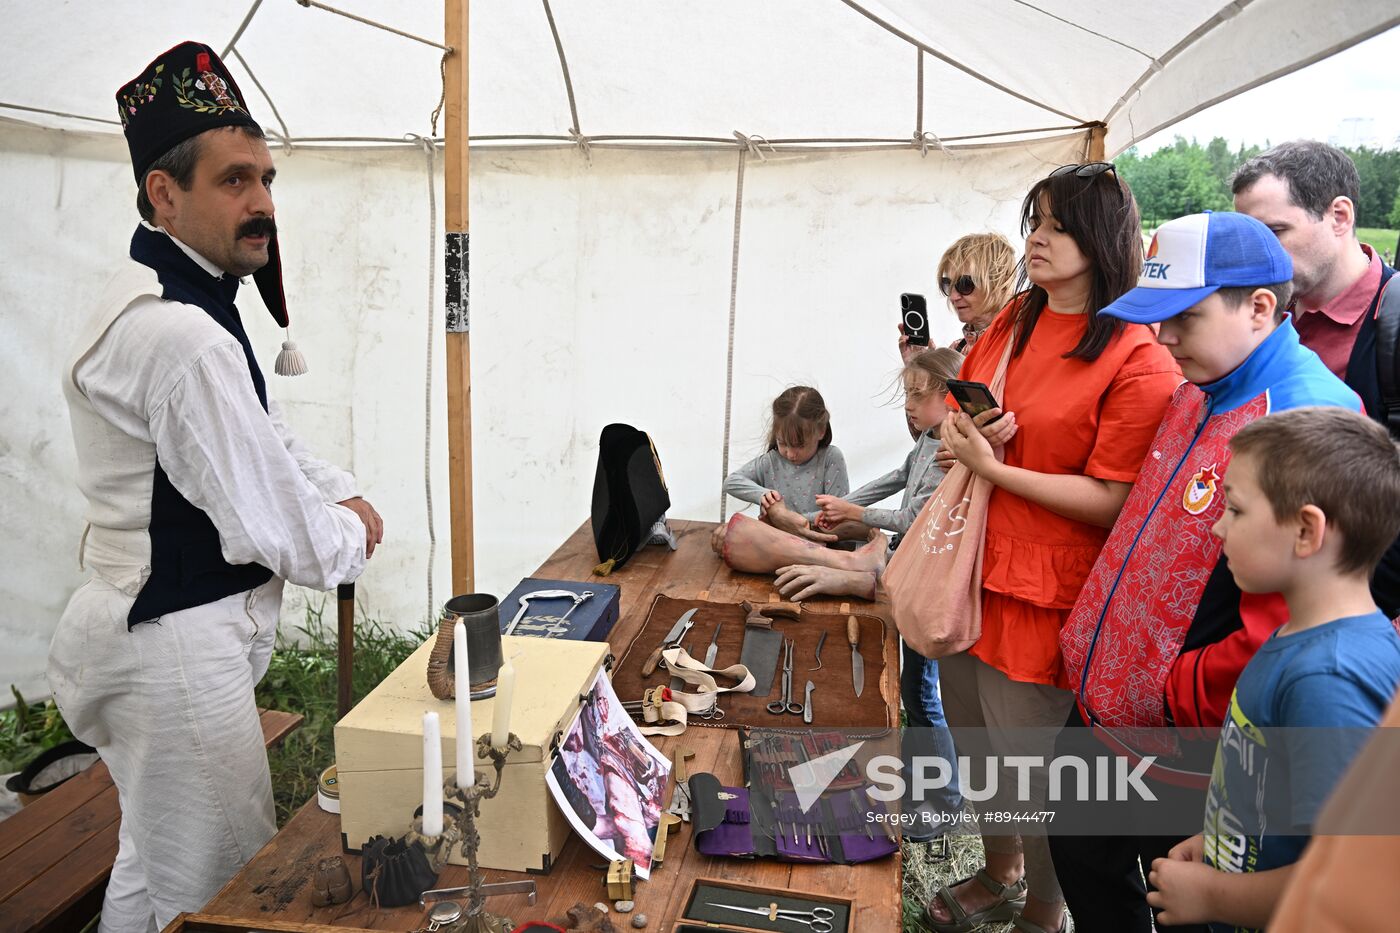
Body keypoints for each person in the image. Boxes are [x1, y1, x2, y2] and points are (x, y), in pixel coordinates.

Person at [45, 42, 381, 932]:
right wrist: (350, 531)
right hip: (172, 652)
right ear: (164, 192)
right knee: (223, 883)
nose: (264, 202)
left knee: (153, 865)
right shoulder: (181, 338)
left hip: (139, 631)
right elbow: (280, 532)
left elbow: (260, 437)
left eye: (266, 179)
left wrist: (339, 490)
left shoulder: (160, 298)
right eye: (235, 181)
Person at [1052, 210, 1363, 933]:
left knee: (1185, 901)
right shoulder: (1200, 381)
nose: (1163, 338)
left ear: (1259, 307)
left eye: (1183, 318)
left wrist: (1171, 689)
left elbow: (1296, 623)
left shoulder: (1306, 418)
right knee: (1084, 857)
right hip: (1109, 712)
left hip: (1189, 745)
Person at [922, 162, 1181, 933]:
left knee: (1030, 764)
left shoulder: (1138, 354)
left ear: (1102, 239)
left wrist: (998, 467)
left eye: (1057, 225)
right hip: (970, 565)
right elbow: (955, 404)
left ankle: (1042, 907)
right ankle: (998, 868)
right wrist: (965, 434)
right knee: (975, 743)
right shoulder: (1014, 319)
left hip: (1048, 590)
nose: (1035, 237)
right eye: (1034, 218)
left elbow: (1115, 498)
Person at [1144, 407, 1400, 931]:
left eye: (1235, 510)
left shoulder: (1328, 682)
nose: (1217, 526)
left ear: (1306, 531)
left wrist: (1215, 895)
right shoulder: (1299, 634)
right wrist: (1220, 848)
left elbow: (1354, 883)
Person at [1232, 140, 1400, 614]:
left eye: (1275, 232)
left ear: (1339, 216)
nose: (1258, 257)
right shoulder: (1263, 311)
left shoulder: (1393, 327)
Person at [815, 347, 966, 836]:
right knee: (913, 692)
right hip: (909, 572)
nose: (909, 405)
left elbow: (911, 518)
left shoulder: (951, 451)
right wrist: (838, 503)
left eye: (919, 396)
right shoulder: (926, 440)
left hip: (930, 581)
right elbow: (897, 479)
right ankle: (923, 785)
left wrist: (853, 515)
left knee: (924, 694)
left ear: (951, 398)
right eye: (907, 395)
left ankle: (945, 803)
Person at [723, 385, 848, 542]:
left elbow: (841, 511)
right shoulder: (771, 461)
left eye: (800, 445)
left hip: (820, 543)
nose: (790, 453)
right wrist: (763, 495)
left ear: (821, 431)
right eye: (782, 443)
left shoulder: (830, 458)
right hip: (776, 543)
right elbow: (731, 482)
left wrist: (786, 519)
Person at [899, 233, 1018, 363]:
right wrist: (918, 366)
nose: (953, 296)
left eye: (965, 284)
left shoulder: (1023, 343)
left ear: (1001, 283)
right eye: (947, 284)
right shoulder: (956, 351)